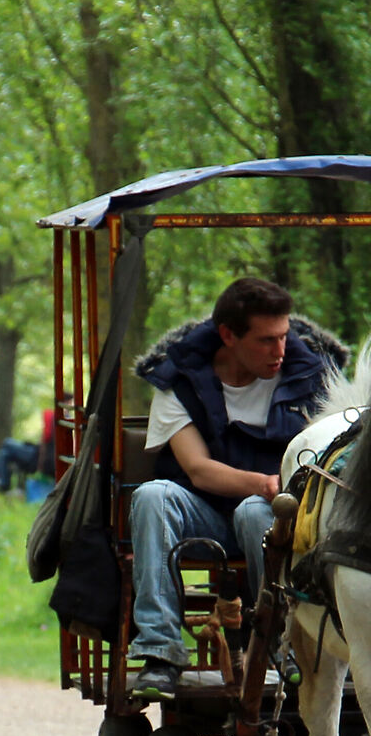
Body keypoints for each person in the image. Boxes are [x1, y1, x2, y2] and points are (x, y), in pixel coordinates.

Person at [125, 277, 343, 702]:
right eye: (266, 341)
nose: (280, 351)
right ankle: (161, 652)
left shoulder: (313, 377)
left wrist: (274, 494)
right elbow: (198, 469)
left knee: (255, 513)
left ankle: (282, 649)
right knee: (151, 496)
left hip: (279, 518)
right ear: (228, 335)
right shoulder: (179, 381)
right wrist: (263, 484)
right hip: (203, 513)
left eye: (284, 337)